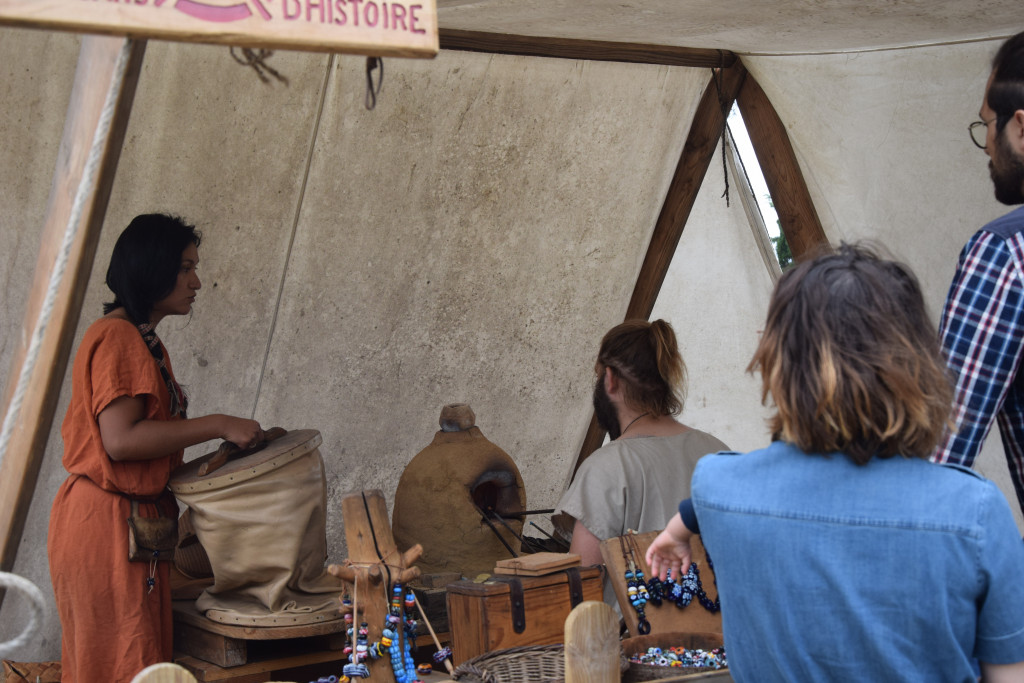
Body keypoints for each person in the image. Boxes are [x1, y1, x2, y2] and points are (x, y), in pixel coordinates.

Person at [646, 245, 1024, 682]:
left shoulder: (718, 486)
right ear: (917, 363)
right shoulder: (975, 511)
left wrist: (677, 531)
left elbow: (706, 496)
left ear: (777, 362)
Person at [48, 214, 265, 682]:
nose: (197, 282)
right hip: (106, 523)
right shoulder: (119, 336)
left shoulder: (143, 338)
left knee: (141, 665)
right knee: (122, 669)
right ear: (153, 266)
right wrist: (218, 424)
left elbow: (147, 446)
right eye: (186, 268)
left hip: (132, 519)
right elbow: (121, 440)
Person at [554, 319, 728, 602]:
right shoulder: (717, 453)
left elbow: (581, 594)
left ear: (610, 379)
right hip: (719, 628)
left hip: (637, 631)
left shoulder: (606, 466)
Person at [933, 31, 1024, 516]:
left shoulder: (1006, 252)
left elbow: (942, 448)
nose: (986, 144)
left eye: (987, 124)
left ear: (1021, 126)